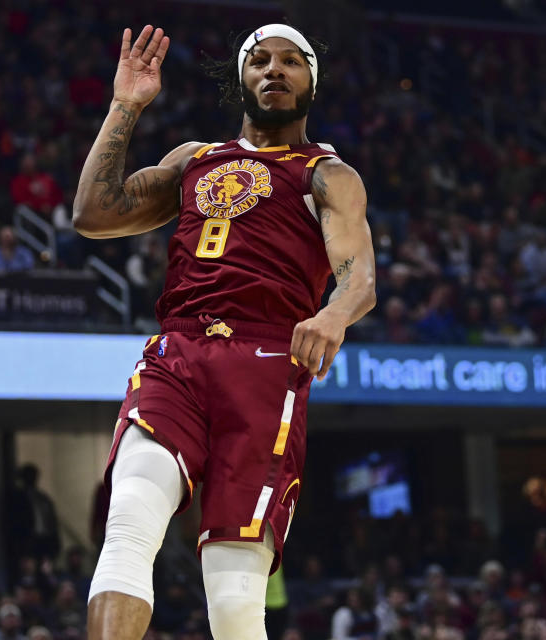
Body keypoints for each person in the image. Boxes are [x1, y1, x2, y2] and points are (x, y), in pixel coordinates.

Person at [72, 23, 376, 640]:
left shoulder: (327, 174)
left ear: (311, 82)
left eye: (291, 62)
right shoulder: (194, 160)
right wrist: (124, 107)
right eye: (260, 60)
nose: (274, 70)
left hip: (267, 357)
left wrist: (332, 315)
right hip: (178, 349)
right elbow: (93, 215)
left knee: (234, 599)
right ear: (241, 79)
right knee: (129, 516)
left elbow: (360, 278)